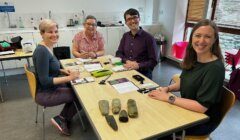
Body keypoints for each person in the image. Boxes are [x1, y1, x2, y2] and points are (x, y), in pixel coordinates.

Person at [148, 19, 225, 137]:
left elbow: (201, 107)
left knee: (157, 129)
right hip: (188, 109)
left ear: (214, 40)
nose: (201, 40)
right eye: (197, 35)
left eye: (207, 37)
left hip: (202, 120)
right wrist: (167, 89)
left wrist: (169, 98)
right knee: (153, 114)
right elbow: (183, 82)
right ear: (192, 38)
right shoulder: (193, 58)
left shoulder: (215, 68)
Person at [33, 19, 81, 136]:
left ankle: (64, 117)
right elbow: (45, 81)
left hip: (50, 87)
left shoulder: (47, 47)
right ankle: (62, 118)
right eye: (50, 32)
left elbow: (49, 68)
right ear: (42, 33)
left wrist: (63, 70)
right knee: (80, 96)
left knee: (76, 87)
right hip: (46, 92)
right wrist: (69, 78)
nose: (54, 34)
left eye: (56, 31)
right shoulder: (42, 51)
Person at [115, 8, 158, 79]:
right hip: (126, 70)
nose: (132, 21)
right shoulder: (125, 36)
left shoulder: (149, 38)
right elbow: (118, 53)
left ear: (139, 19)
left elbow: (153, 61)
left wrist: (138, 65)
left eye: (135, 17)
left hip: (143, 74)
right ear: (126, 22)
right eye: (129, 19)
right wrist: (127, 61)